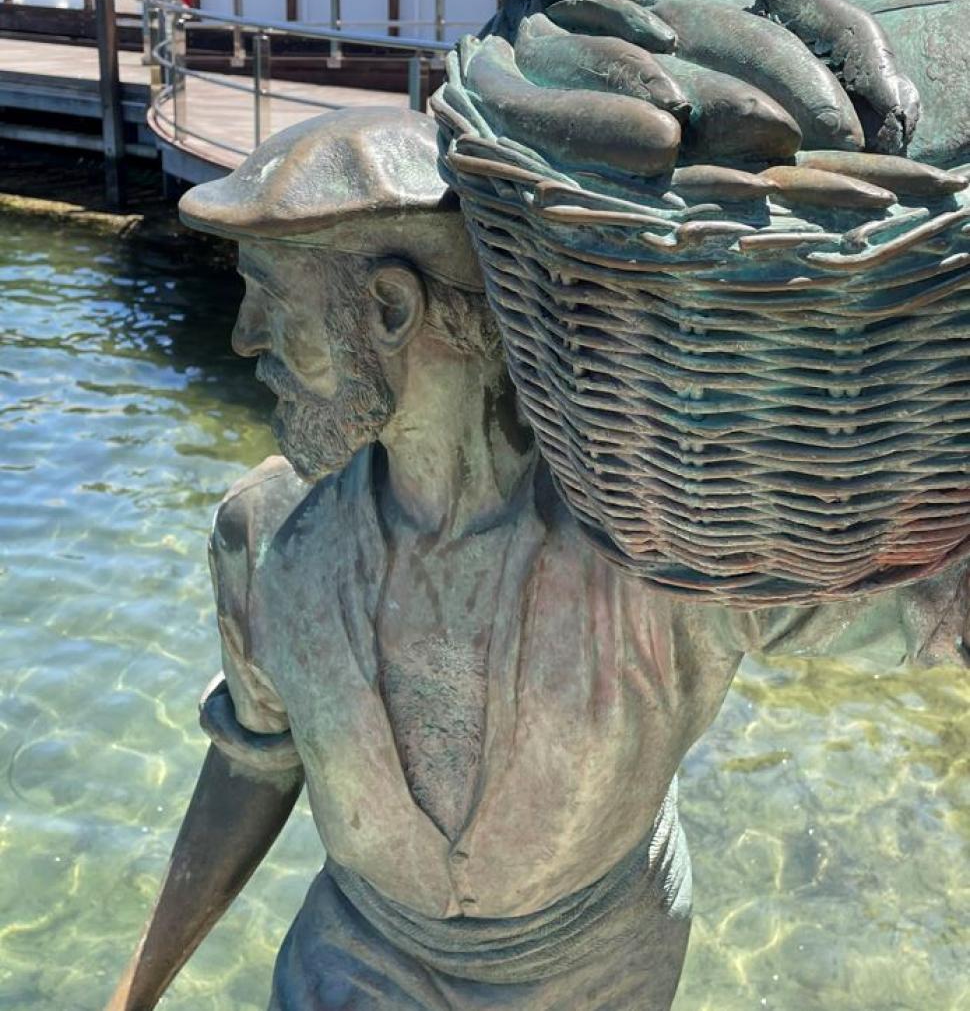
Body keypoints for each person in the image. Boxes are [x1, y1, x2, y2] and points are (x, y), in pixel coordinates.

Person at [106, 108, 969, 1011]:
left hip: (595, 976)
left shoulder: (655, 539)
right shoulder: (268, 537)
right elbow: (255, 755)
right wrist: (134, 994)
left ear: (392, 308)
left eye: (271, 299)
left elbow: (925, 606)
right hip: (347, 966)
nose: (243, 337)